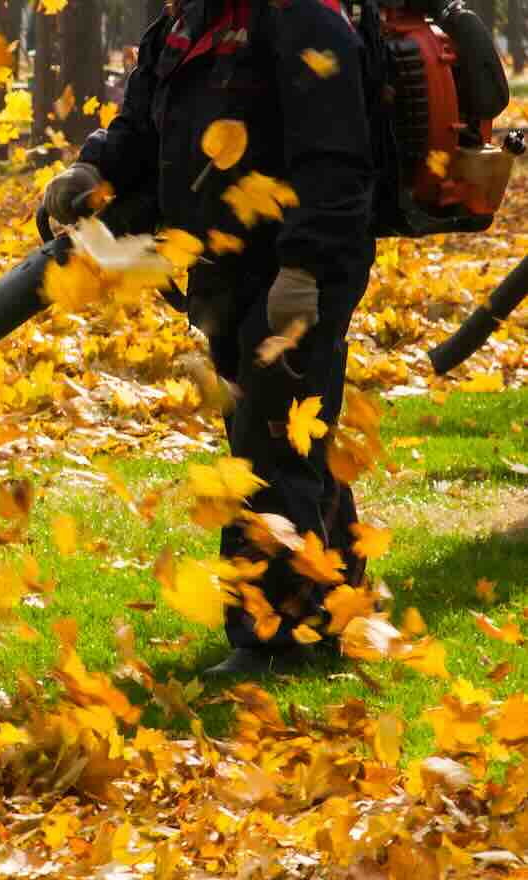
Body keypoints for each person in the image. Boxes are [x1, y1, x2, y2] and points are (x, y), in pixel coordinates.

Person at [44, 0, 377, 676]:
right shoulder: (183, 23)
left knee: (268, 449)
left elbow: (336, 161)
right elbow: (141, 128)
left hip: (294, 269)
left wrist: (305, 271)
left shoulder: (302, 16)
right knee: (286, 440)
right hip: (226, 273)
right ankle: (335, 606)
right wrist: (94, 169)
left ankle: (275, 641)